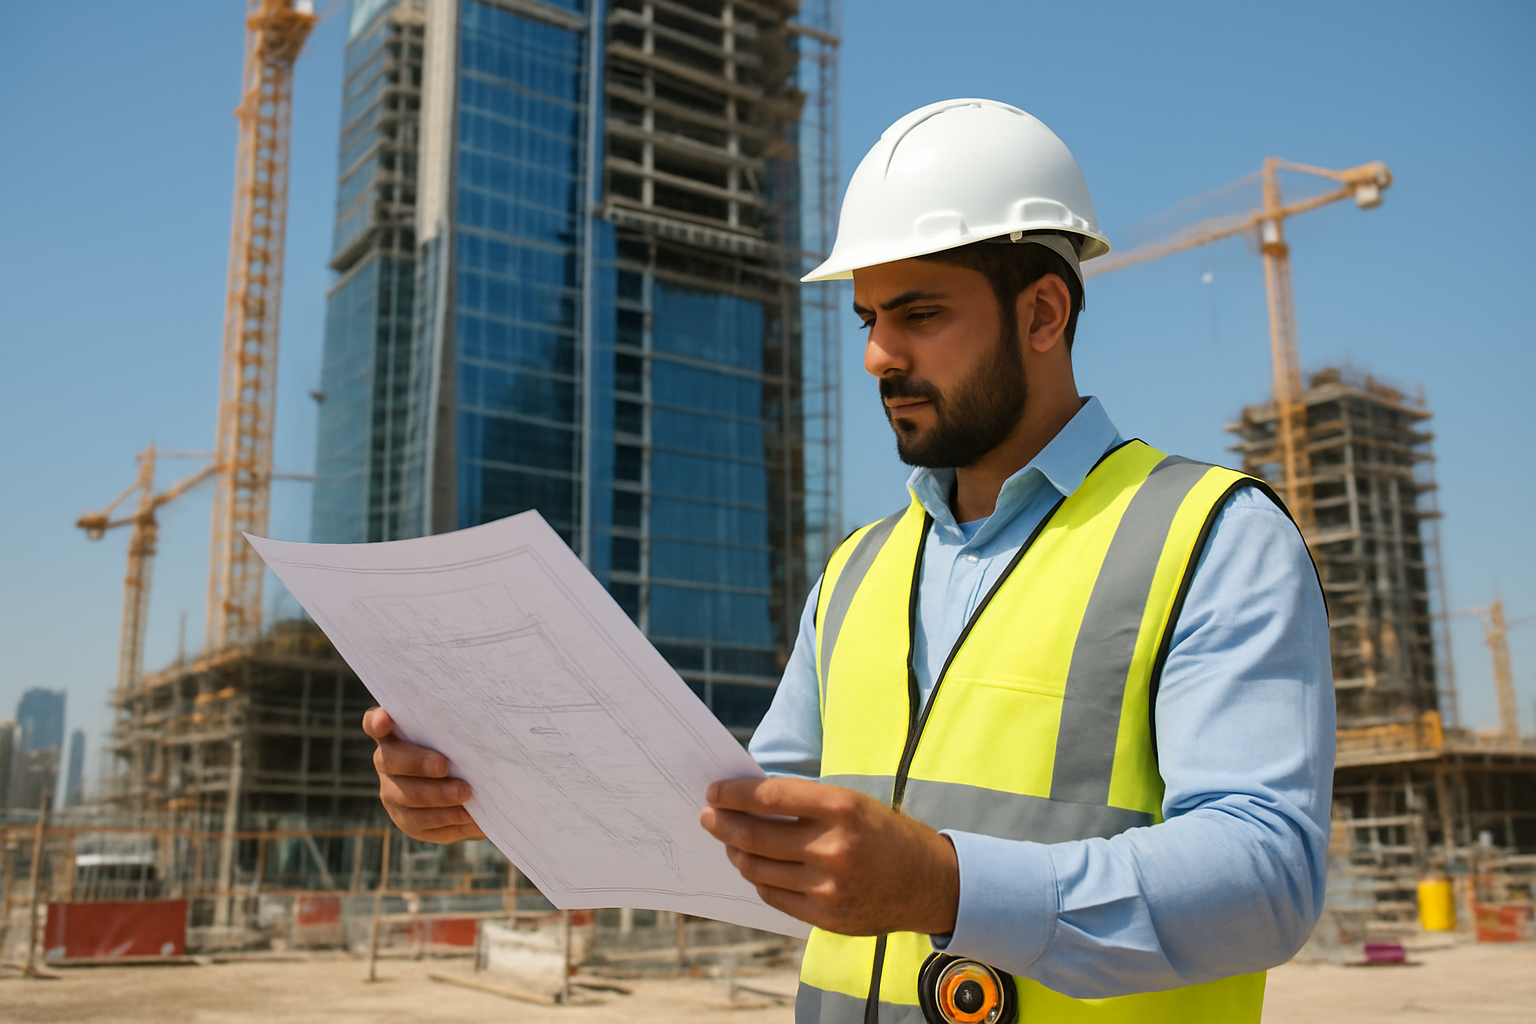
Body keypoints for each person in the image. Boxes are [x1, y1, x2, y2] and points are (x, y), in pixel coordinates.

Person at [365, 99, 1334, 1024]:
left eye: (918, 314)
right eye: (868, 318)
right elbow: (737, 837)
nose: (877, 355)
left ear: (1044, 314)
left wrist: (943, 884)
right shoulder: (857, 574)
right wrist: (493, 797)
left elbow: (1267, 876)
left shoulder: (1212, 537)